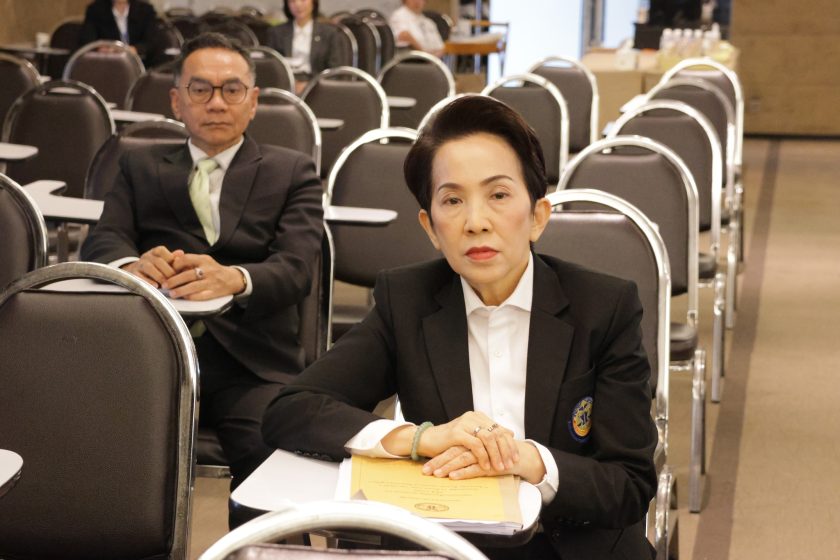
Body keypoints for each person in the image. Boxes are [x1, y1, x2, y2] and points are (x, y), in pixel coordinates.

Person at [262, 95, 657, 559]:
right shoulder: (407, 301)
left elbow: (629, 485)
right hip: (449, 543)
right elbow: (292, 409)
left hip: (573, 545)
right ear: (430, 227)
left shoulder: (604, 307)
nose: (475, 222)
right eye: (452, 200)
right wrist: (422, 438)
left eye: (498, 195)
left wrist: (525, 459)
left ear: (537, 216)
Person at [81, 32, 324, 490]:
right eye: (200, 89)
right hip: (149, 352)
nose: (216, 103)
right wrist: (131, 265)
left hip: (250, 364)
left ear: (253, 102)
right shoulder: (139, 165)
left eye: (232, 90)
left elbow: (296, 268)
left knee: (267, 459)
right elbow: (103, 239)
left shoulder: (292, 171)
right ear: (177, 101)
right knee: (89, 444)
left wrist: (235, 278)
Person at [266, 0, 343, 90]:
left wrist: (310, 86)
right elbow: (271, 68)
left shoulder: (329, 34)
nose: (298, 5)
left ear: (313, 3)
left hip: (318, 87)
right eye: (292, 1)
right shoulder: (276, 33)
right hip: (285, 87)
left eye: (303, 0)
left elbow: (335, 71)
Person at [79, 0, 158, 64]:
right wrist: (103, 49)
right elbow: (88, 42)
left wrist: (135, 49)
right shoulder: (95, 10)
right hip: (107, 64)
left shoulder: (145, 10)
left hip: (141, 63)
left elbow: (152, 41)